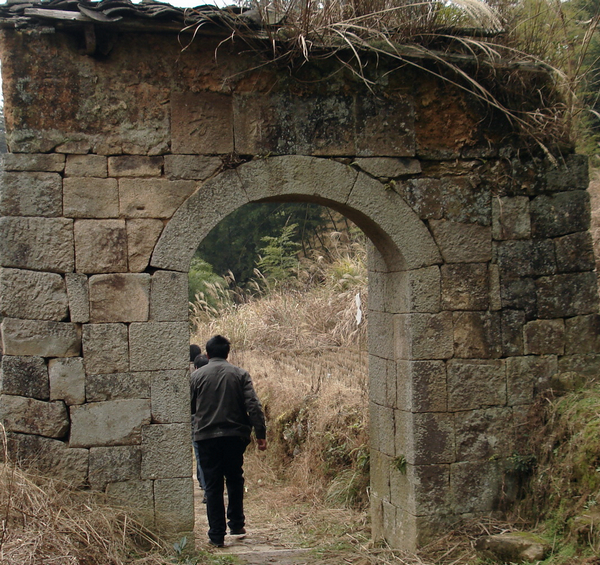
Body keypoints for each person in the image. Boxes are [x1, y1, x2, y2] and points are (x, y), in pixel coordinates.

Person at [190, 335, 267, 548]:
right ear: (227, 354)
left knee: (213, 485)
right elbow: (253, 406)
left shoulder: (196, 377)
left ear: (207, 354)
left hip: (206, 437)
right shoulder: (240, 374)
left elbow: (189, 408)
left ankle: (216, 534)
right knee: (234, 478)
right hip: (234, 436)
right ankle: (236, 524)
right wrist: (260, 434)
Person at [192, 353, 209, 498]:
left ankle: (205, 487)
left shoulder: (193, 378)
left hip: (198, 423)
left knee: (200, 455)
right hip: (216, 422)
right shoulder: (216, 378)